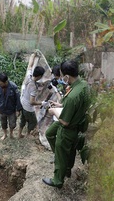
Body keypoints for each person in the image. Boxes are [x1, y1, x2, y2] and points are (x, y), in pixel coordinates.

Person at [42, 60, 91, 189]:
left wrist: (53, 111)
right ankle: (64, 162)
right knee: (49, 133)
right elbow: (74, 104)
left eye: (63, 76)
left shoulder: (72, 96)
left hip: (68, 126)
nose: (62, 79)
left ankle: (58, 180)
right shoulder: (84, 86)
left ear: (67, 76)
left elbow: (64, 121)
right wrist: (60, 105)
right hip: (76, 120)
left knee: (62, 150)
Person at [0, 72, 22, 140]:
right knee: (3, 123)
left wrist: (18, 110)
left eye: (1, 83)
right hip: (2, 110)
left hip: (11, 110)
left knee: (12, 124)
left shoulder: (13, 87)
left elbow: (18, 99)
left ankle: (11, 133)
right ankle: (5, 134)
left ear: (6, 82)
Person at [19, 63, 46, 139]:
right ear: (40, 76)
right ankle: (28, 134)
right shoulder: (33, 87)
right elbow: (32, 102)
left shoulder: (29, 76)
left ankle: (19, 134)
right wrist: (42, 103)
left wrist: (33, 55)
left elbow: (30, 66)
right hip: (28, 107)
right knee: (33, 122)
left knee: (23, 119)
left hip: (23, 102)